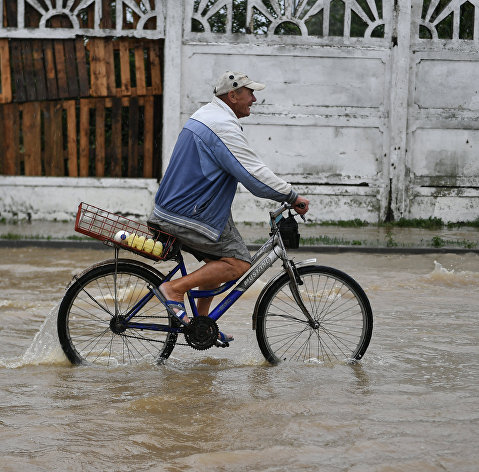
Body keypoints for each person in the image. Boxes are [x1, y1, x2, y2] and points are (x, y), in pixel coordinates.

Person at [148, 71, 309, 342]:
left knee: (218, 260)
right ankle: (174, 289)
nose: (254, 99)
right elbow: (252, 173)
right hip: (191, 213)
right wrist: (291, 196)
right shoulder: (221, 125)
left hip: (186, 208)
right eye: (250, 93)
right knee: (238, 263)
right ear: (232, 95)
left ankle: (203, 323)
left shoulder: (207, 115)